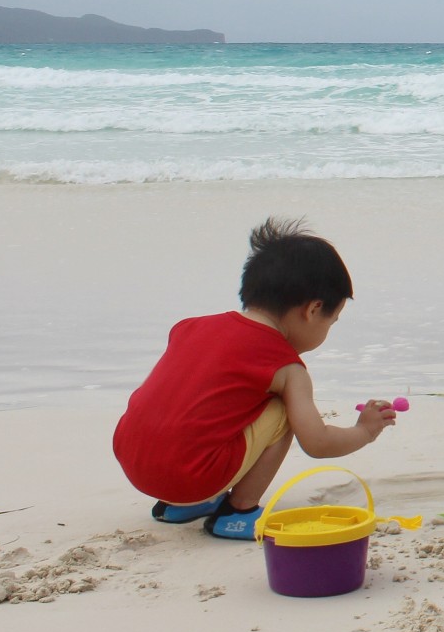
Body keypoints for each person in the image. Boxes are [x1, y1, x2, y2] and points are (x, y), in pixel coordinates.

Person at [112, 218, 397, 540]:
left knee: (197, 404)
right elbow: (317, 444)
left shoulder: (190, 327)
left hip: (133, 461)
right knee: (282, 411)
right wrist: (364, 430)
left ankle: (181, 506)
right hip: (190, 476)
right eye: (333, 320)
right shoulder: (287, 368)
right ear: (314, 309)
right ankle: (238, 512)